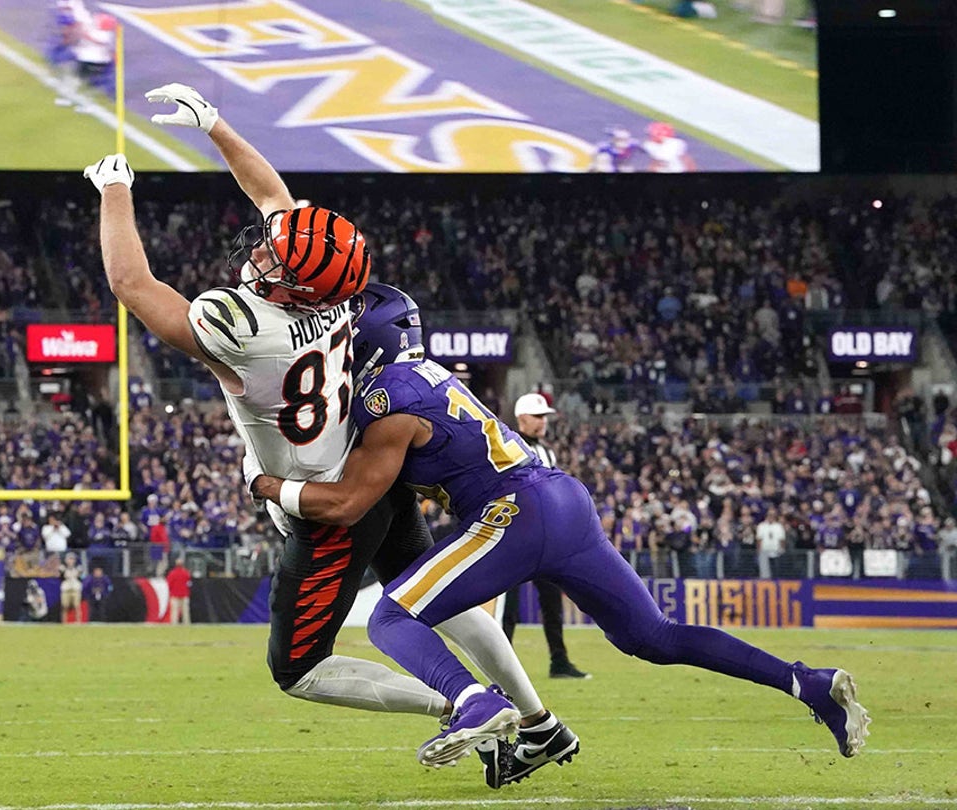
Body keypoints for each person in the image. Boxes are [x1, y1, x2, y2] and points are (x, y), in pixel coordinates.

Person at [86, 83, 547, 762]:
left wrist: (114, 189)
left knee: (298, 668)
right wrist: (214, 125)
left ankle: (466, 702)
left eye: (275, 257)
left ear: (296, 284)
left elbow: (133, 285)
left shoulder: (245, 326)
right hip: (371, 471)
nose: (263, 251)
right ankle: (537, 718)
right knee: (436, 596)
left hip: (327, 505)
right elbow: (275, 199)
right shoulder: (339, 291)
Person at [253, 284, 871, 783]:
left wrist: (266, 483)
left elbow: (348, 502)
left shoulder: (386, 397)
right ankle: (806, 683)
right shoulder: (427, 376)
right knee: (653, 636)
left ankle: (474, 701)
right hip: (561, 499)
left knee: (391, 618)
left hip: (512, 512)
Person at [500, 393, 589, 680]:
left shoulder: (546, 451)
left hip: (543, 536)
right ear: (522, 418)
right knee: (508, 608)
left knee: (551, 603)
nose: (543, 422)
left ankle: (559, 661)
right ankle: (502, 670)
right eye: (538, 417)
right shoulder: (510, 444)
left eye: (544, 417)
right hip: (516, 536)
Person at [59, 552, 84, 623]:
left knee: (77, 606)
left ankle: (78, 621)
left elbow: (80, 577)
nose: (71, 561)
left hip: (75, 589)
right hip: (66, 589)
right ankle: (64, 622)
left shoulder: (78, 568)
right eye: (69, 559)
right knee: (64, 606)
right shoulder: (62, 568)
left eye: (72, 559)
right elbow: (61, 577)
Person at [166, 555, 192, 624]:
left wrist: (171, 591)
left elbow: (169, 584)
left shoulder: (172, 573)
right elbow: (189, 584)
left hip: (174, 594)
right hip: (184, 594)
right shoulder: (186, 573)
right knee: (185, 611)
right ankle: (186, 623)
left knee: (174, 611)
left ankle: (174, 623)